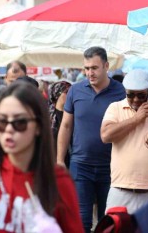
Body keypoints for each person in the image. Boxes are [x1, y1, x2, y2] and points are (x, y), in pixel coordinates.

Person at [0, 82, 83, 232]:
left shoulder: (57, 180)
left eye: (19, 122)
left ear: (38, 126)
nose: (9, 129)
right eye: (2, 121)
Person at [57, 46, 126, 233]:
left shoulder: (121, 92)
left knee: (109, 222)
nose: (89, 73)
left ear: (106, 66)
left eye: (94, 68)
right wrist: (59, 160)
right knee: (81, 222)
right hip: (81, 165)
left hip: (112, 166)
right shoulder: (75, 91)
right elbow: (65, 126)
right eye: (86, 68)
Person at [100, 69, 148, 214]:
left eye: (141, 95)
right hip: (120, 190)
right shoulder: (115, 108)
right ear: (125, 91)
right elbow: (105, 135)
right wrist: (136, 119)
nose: (135, 100)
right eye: (131, 95)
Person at [48, 80, 72, 160]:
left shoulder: (73, 113)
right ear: (57, 94)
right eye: (67, 92)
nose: (70, 94)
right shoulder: (48, 115)